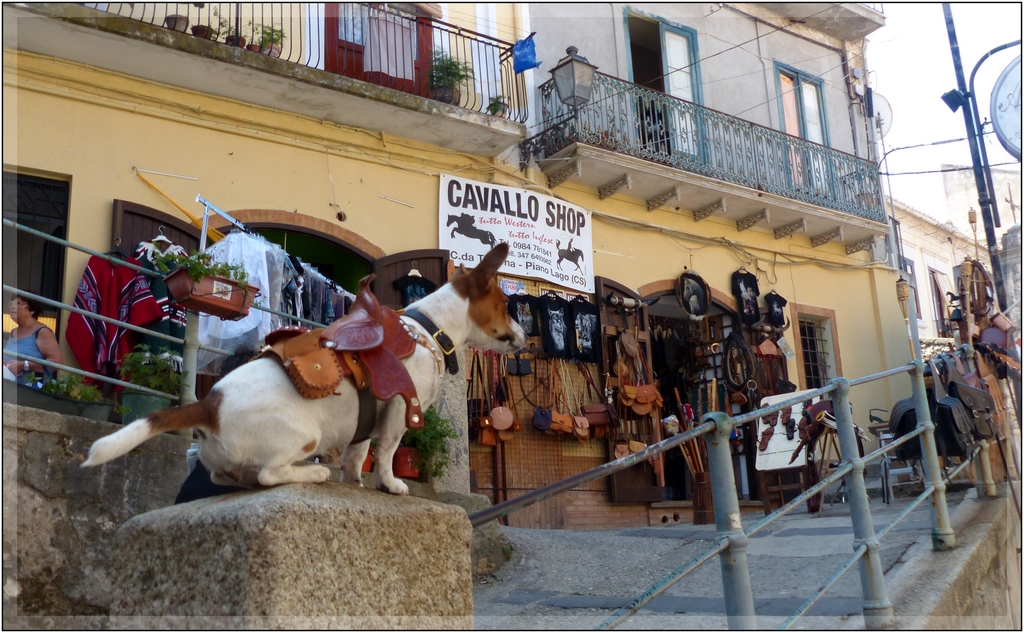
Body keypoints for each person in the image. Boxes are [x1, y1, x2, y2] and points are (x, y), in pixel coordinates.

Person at [3, 295, 63, 387]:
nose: (12, 306)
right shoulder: (13, 332)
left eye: (18, 303)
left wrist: (25, 365)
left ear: (32, 310)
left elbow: (56, 362)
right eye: (11, 304)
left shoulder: (42, 332)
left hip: (31, 392)